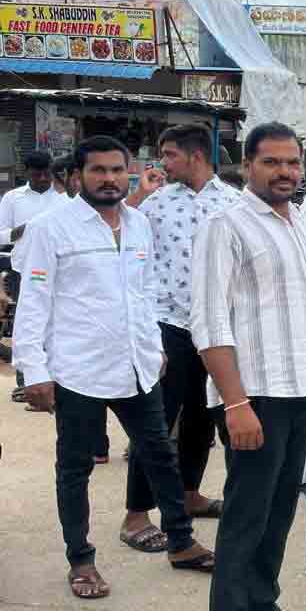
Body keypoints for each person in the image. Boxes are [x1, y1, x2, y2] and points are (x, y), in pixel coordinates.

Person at [16, 135, 216, 600]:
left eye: (116, 170)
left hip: (136, 366)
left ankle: (181, 542)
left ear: (129, 173)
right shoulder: (51, 228)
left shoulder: (139, 224)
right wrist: (34, 370)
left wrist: (154, 348)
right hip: (77, 370)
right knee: (75, 468)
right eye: (98, 171)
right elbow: (34, 302)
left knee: (159, 454)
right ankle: (81, 560)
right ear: (77, 176)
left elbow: (145, 292)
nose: (109, 179)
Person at [193, 122, 306, 611]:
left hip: (298, 392)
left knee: (278, 513)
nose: (284, 171)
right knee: (247, 515)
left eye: (292, 162)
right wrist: (235, 403)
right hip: (255, 394)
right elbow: (209, 323)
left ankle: (261, 600)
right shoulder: (225, 225)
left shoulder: (298, 222)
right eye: (271, 162)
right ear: (248, 165)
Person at [123, 124, 240, 552]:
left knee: (201, 417)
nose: (163, 163)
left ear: (196, 155)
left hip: (216, 328)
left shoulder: (234, 204)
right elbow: (123, 240)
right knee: (155, 422)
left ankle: (190, 493)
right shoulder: (155, 203)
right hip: (167, 324)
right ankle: (137, 514)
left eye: (170, 154)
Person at [1, 150, 69, 391]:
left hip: (59, 270)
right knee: (27, 323)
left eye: (46, 174)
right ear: (26, 172)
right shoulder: (13, 198)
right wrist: (26, 229)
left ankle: (56, 380)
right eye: (36, 174)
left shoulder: (63, 198)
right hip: (23, 269)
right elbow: (0, 235)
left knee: (57, 323)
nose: (42, 178)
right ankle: (26, 383)